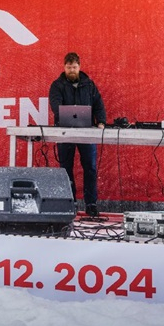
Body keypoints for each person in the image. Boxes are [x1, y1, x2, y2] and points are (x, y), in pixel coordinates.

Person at [49, 52, 106, 217]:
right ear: (64, 67)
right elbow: (55, 105)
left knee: (90, 167)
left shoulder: (89, 84)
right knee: (65, 168)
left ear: (79, 67)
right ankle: (70, 202)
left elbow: (99, 105)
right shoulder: (57, 85)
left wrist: (101, 121)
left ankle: (91, 204)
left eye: (74, 67)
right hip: (65, 132)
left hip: (86, 131)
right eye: (69, 67)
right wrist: (65, 116)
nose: (72, 70)